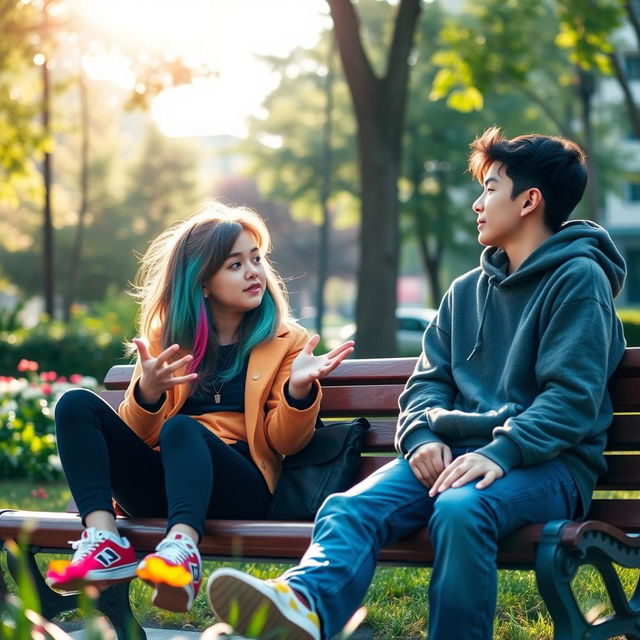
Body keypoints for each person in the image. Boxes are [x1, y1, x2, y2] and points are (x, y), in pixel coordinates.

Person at [206, 127, 627, 640]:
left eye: (491, 188)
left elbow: (571, 400)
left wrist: (501, 452)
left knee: (461, 510)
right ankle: (306, 608)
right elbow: (426, 386)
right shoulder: (465, 291)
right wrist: (422, 438)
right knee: (349, 507)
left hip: (546, 465)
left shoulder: (577, 279)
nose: (478, 202)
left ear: (529, 201)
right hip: (454, 458)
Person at [46, 203, 354, 613]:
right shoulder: (167, 342)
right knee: (74, 404)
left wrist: (299, 389)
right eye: (235, 264)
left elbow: (288, 443)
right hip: (166, 484)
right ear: (203, 281)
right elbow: (139, 439)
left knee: (183, 429)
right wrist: (148, 393)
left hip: (241, 486)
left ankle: (182, 552)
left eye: (256, 259)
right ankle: (104, 541)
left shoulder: (287, 341)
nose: (253, 272)